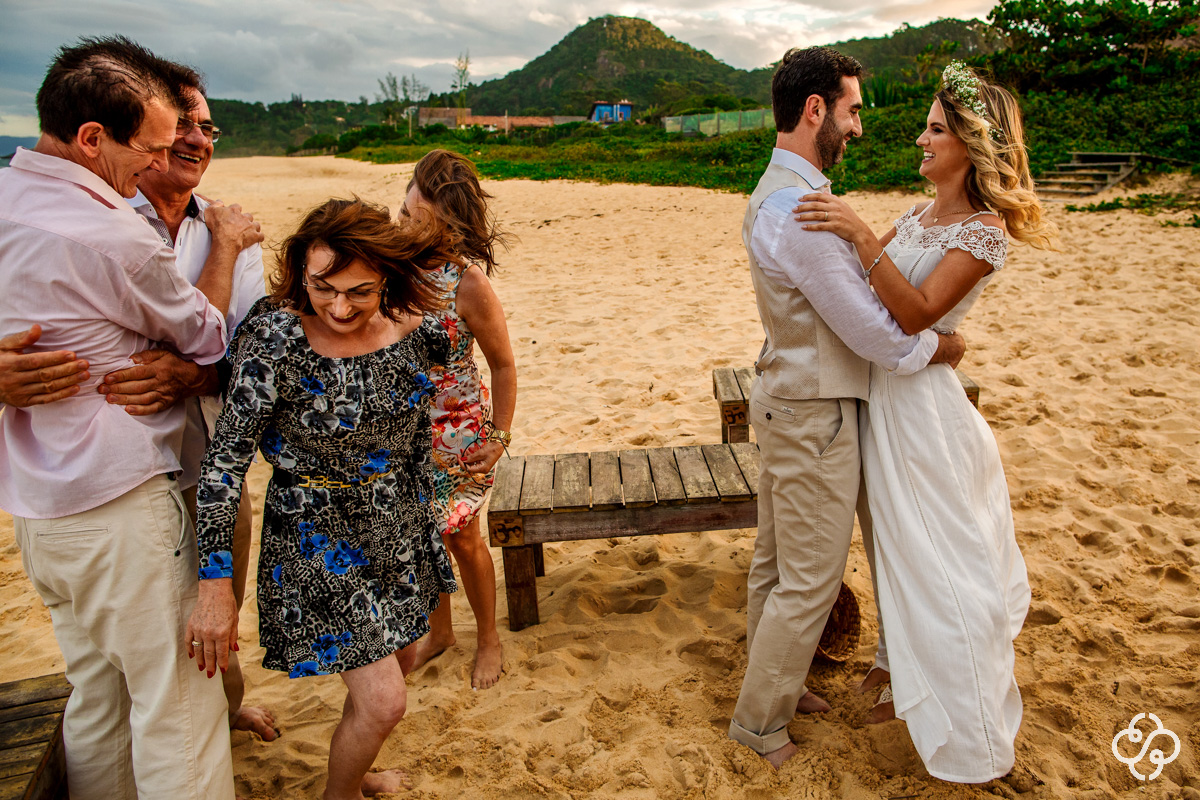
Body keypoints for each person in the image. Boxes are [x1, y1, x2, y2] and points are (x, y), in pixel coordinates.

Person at [0, 36, 257, 800]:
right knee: (179, 711)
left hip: (39, 508)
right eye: (148, 148)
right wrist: (225, 254)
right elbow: (207, 335)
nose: (154, 163)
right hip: (122, 501)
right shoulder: (115, 233)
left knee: (99, 699)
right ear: (91, 138)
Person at [792, 61, 1059, 782]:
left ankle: (966, 718)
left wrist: (858, 233)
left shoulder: (983, 231)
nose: (921, 138)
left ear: (970, 144)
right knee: (895, 550)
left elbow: (913, 313)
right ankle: (899, 669)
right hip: (883, 399)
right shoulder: (917, 216)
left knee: (939, 560)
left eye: (936, 129)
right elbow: (863, 293)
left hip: (923, 417)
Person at [726, 46, 966, 770]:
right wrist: (942, 348)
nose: (858, 126)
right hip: (815, 414)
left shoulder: (775, 190)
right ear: (815, 110)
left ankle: (781, 682)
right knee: (810, 579)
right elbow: (873, 331)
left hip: (787, 401)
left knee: (776, 564)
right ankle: (759, 725)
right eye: (853, 110)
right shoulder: (804, 210)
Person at [186, 198, 460, 800]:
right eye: (323, 288)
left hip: (399, 528)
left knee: (399, 659)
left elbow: (437, 416)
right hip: (316, 537)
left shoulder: (419, 329)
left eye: (359, 292)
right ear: (300, 273)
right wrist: (214, 585)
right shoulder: (274, 338)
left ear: (387, 276)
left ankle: (353, 776)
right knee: (385, 701)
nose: (338, 308)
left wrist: (474, 453)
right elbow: (224, 466)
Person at [396, 149, 516, 690]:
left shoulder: (467, 283)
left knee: (463, 537)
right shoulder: (391, 270)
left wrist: (499, 436)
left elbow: (504, 365)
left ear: (442, 220)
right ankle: (440, 632)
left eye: (412, 216)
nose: (401, 223)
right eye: (401, 212)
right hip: (403, 435)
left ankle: (488, 637)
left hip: (458, 437)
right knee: (423, 535)